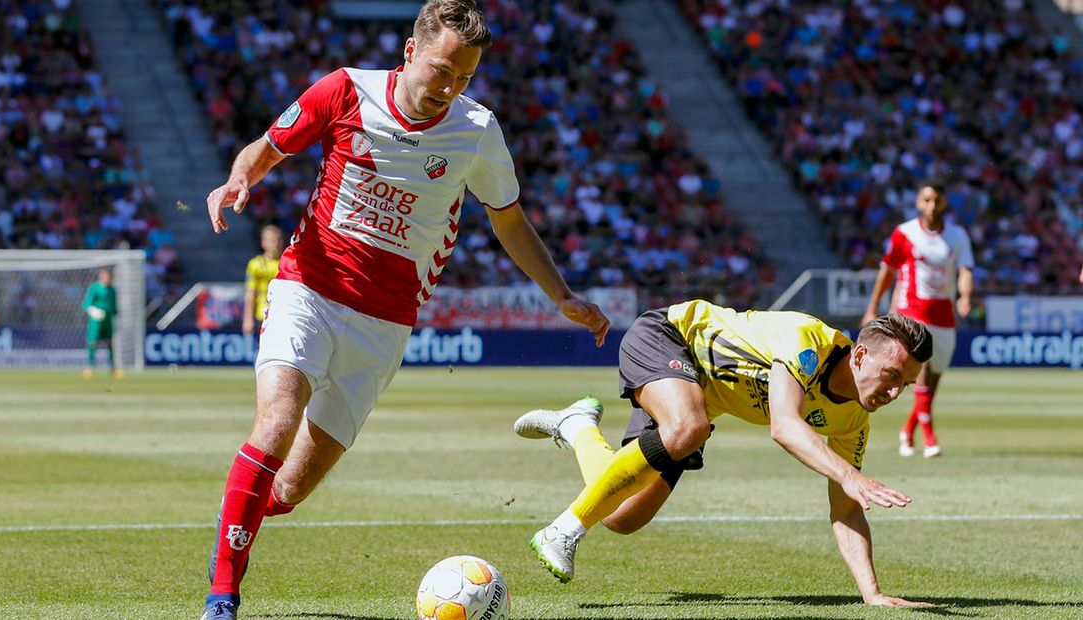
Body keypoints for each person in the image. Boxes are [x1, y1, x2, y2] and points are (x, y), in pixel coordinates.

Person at [198, 2, 611, 618]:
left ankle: (240, 512)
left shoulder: (476, 129)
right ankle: (223, 595)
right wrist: (240, 178)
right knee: (277, 423)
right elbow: (268, 146)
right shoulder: (345, 90)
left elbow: (510, 220)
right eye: (442, 69)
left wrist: (562, 295)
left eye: (464, 78)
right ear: (411, 50)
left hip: (385, 325)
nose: (449, 88)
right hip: (307, 287)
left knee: (288, 488)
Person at [516, 301, 934, 608]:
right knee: (688, 428)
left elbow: (845, 511)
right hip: (667, 337)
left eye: (906, 386)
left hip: (696, 397)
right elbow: (785, 426)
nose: (895, 393)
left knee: (622, 516)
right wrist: (850, 474)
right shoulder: (809, 342)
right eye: (892, 376)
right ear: (861, 356)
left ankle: (578, 427)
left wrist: (871, 592)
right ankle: (564, 528)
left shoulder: (853, 422)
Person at [862, 181, 974, 458]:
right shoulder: (905, 233)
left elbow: (965, 269)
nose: (932, 206)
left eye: (937, 200)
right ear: (918, 203)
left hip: (943, 313)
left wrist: (965, 296)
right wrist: (873, 306)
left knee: (933, 381)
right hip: (911, 311)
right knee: (921, 373)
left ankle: (907, 430)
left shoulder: (958, 236)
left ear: (945, 203)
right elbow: (887, 271)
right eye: (927, 200)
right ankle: (930, 438)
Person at [242, 225, 283, 336]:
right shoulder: (256, 264)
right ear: (263, 243)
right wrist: (248, 319)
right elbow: (251, 291)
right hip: (262, 315)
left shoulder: (287, 263)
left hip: (283, 314)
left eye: (278, 239)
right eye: (271, 240)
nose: (276, 243)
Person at [82, 268, 120, 378]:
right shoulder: (94, 288)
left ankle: (113, 367)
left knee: (110, 342)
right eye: (106, 277)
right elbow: (86, 304)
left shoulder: (112, 290)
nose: (108, 279)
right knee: (93, 342)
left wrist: (114, 314)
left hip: (108, 320)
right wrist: (94, 312)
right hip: (96, 320)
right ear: (101, 276)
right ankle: (90, 366)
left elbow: (114, 307)